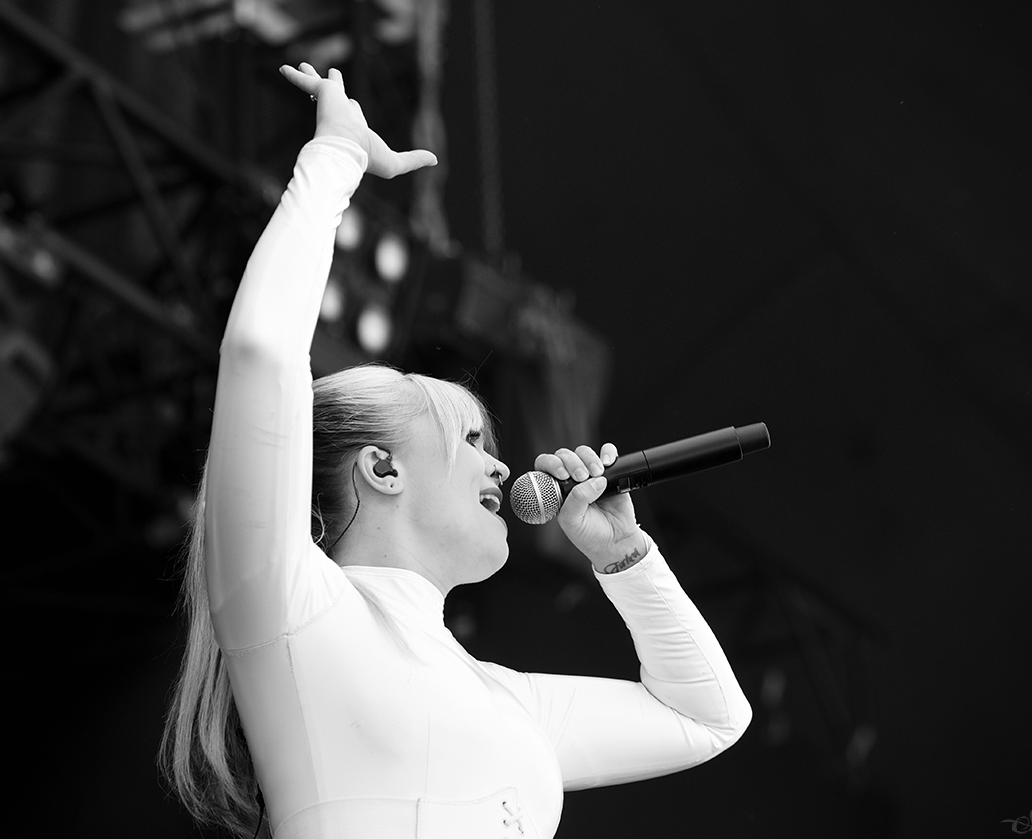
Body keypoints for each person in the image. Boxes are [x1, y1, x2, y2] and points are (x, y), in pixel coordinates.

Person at [160, 63, 752, 839]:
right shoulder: (294, 606)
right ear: (382, 468)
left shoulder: (503, 695)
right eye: (471, 438)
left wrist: (624, 557)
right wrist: (335, 157)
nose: (502, 465)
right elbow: (262, 352)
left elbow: (708, 715)